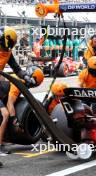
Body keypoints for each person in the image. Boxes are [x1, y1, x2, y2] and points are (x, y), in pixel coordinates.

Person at [0, 26, 37, 154]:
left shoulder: (8, 53)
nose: (9, 47)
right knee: (5, 114)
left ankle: (3, 138)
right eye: (9, 44)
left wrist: (26, 76)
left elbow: (16, 68)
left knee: (5, 90)